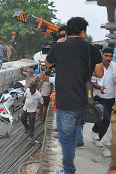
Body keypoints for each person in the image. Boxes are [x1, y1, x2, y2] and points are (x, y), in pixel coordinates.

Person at [45, 17, 104, 174]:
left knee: (66, 140)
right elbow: (99, 72)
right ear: (83, 32)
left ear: (68, 31)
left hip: (65, 103)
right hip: (85, 102)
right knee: (75, 131)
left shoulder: (58, 48)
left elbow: (47, 64)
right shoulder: (91, 49)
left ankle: (69, 170)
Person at [91, 48, 115, 148]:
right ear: (102, 55)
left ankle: (98, 138)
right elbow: (93, 82)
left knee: (107, 120)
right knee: (105, 117)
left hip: (112, 98)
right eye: (106, 56)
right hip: (99, 96)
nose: (108, 58)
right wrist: (100, 87)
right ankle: (95, 131)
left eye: (110, 56)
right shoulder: (97, 67)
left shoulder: (114, 66)